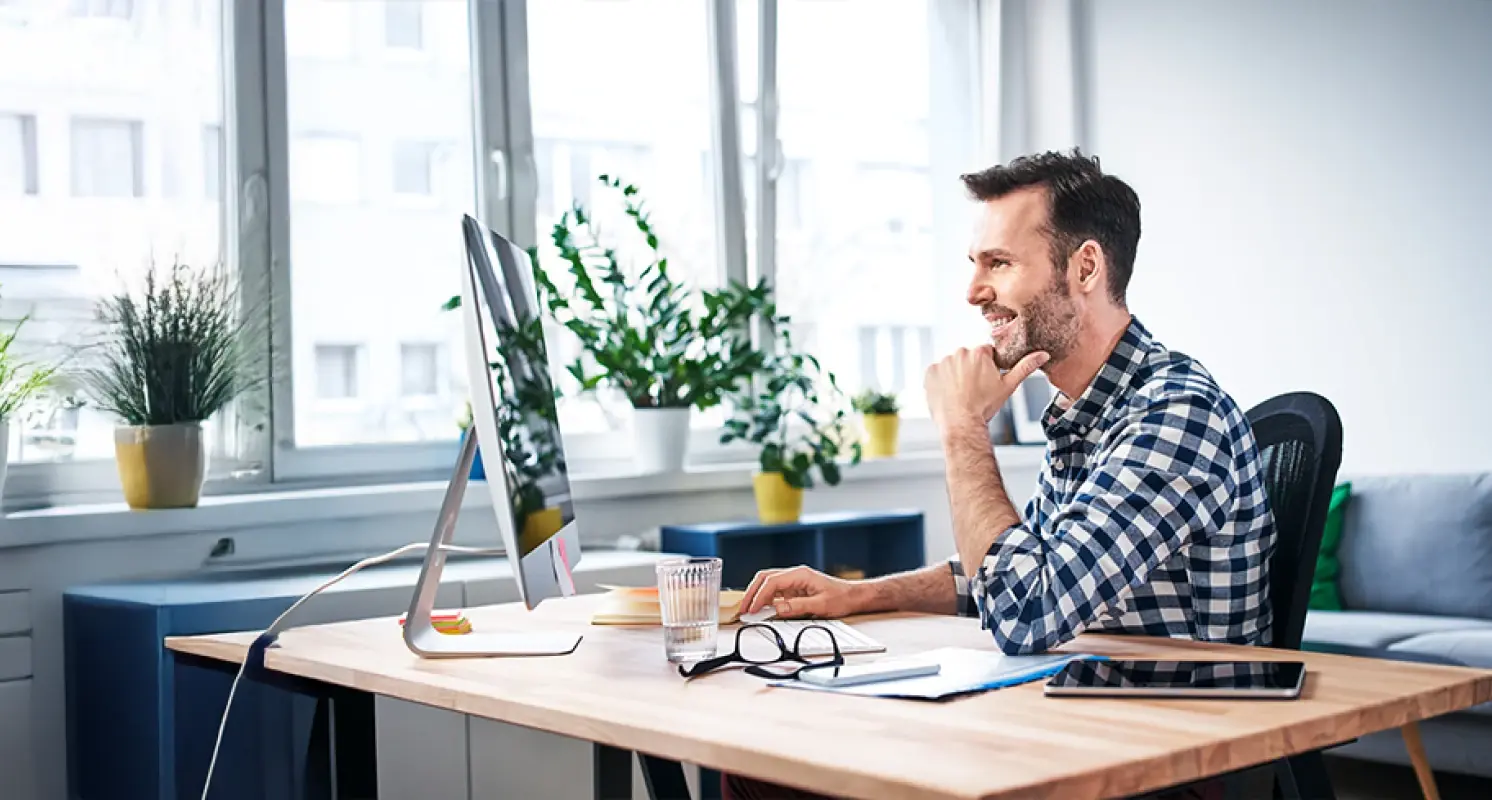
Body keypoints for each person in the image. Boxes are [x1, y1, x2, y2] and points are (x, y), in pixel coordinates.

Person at [725, 150, 1273, 800]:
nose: (973, 290)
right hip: (1073, 722)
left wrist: (962, 429)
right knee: (769, 765)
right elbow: (1010, 574)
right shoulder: (1085, 414)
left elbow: (1026, 611)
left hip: (1166, 759)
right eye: (976, 264)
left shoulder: (1175, 413)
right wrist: (859, 596)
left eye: (1000, 263)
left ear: (1086, 267)